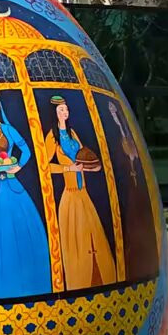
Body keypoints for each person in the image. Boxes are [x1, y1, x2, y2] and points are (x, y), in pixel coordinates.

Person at [0, 90, 51, 299]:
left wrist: (18, 166)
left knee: (25, 233)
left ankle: (33, 286)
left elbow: (26, 150)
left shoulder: (8, 129)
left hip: (13, 185)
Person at [45, 95, 116, 290]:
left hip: (83, 191)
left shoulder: (73, 133)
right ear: (55, 113)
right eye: (61, 110)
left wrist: (91, 166)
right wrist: (69, 169)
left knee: (93, 236)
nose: (65, 112)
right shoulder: (52, 137)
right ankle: (79, 280)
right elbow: (45, 166)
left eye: (66, 109)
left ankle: (99, 277)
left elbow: (83, 155)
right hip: (70, 193)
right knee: (76, 239)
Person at [107, 100, 159, 279]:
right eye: (112, 112)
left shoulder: (127, 133)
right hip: (127, 187)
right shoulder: (115, 136)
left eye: (115, 111)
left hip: (136, 186)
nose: (114, 114)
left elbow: (134, 154)